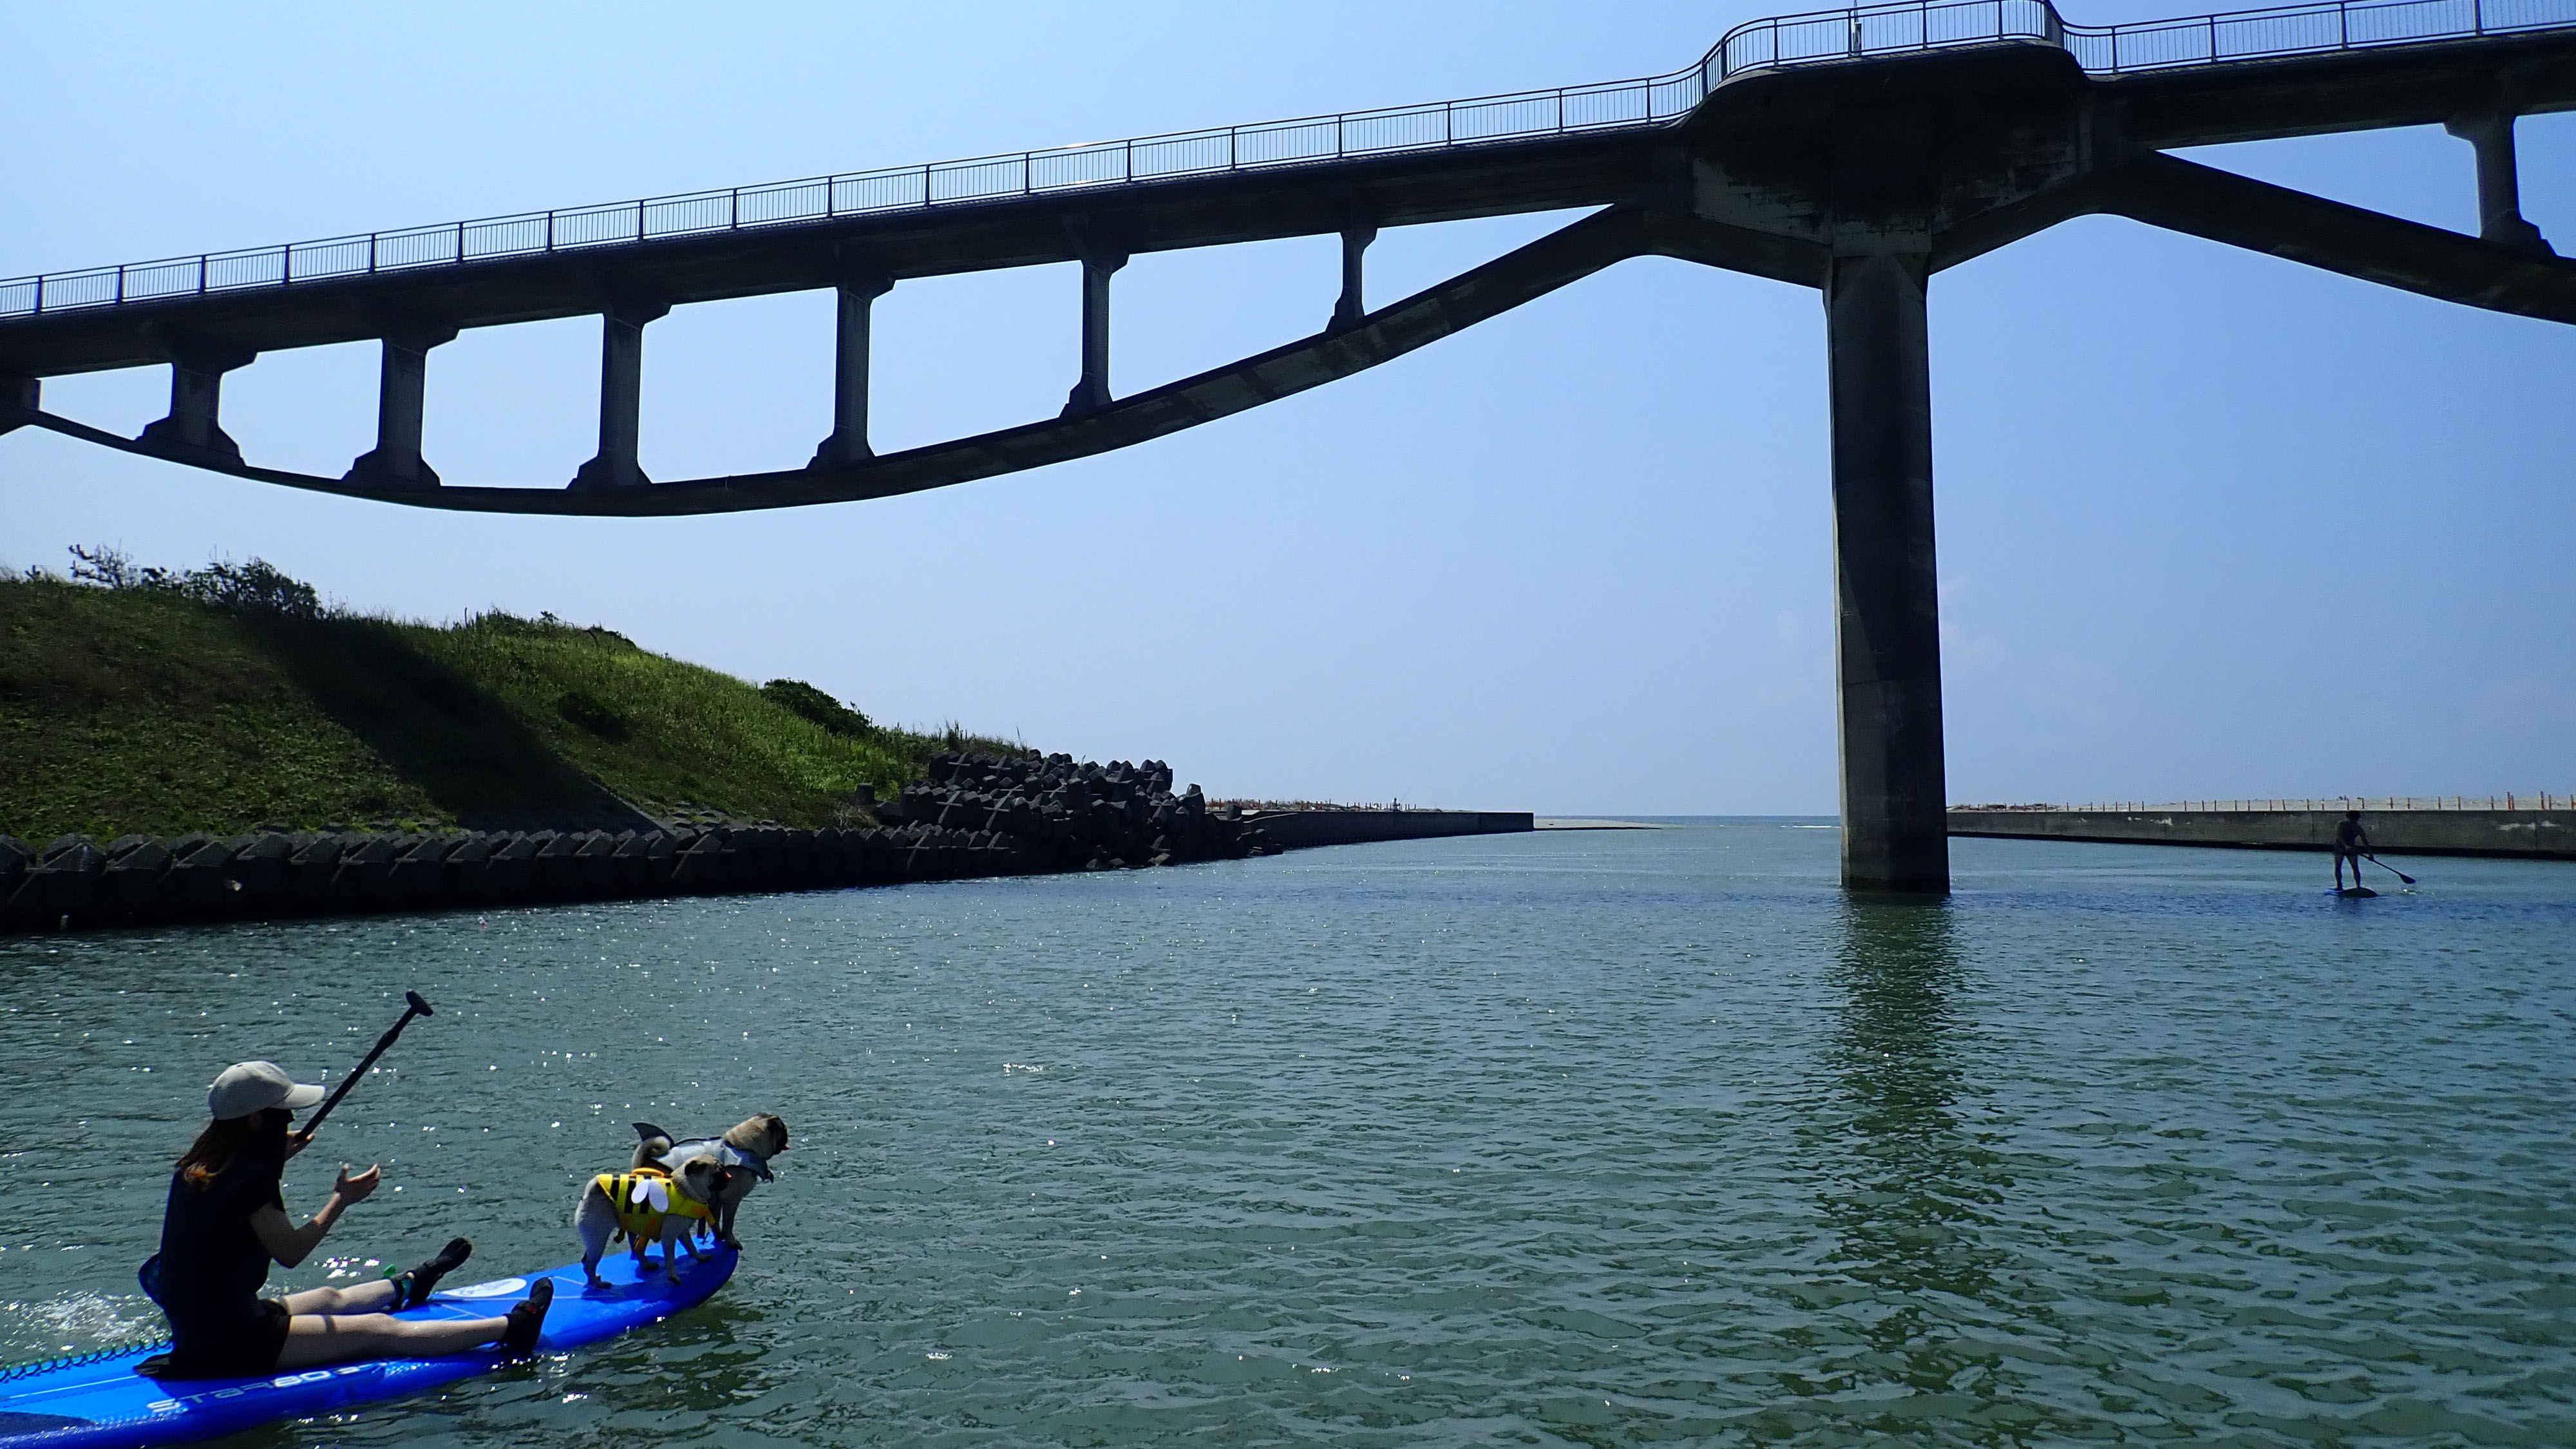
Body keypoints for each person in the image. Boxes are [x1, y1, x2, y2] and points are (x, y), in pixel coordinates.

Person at [140, 1059, 552, 1378]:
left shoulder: (199, 1167)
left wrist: (267, 1156)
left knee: (327, 1299)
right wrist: (342, 1199)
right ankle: (514, 1326)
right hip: (231, 1344)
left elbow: (228, 1204)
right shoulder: (249, 1183)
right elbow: (291, 1251)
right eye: (283, 1115)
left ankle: (410, 1284)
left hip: (208, 1324)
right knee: (377, 1331)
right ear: (254, 1121)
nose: (291, 1121)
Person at [2333, 809, 2370, 892]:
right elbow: (2339, 837)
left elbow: (2365, 841)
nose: (2354, 820)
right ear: (2348, 818)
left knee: (2355, 867)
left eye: (2356, 819)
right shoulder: (2341, 824)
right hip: (2340, 847)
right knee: (2338, 867)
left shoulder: (2358, 828)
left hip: (2352, 849)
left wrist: (2370, 854)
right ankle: (2339, 885)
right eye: (2353, 818)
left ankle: (2358, 886)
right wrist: (2346, 846)